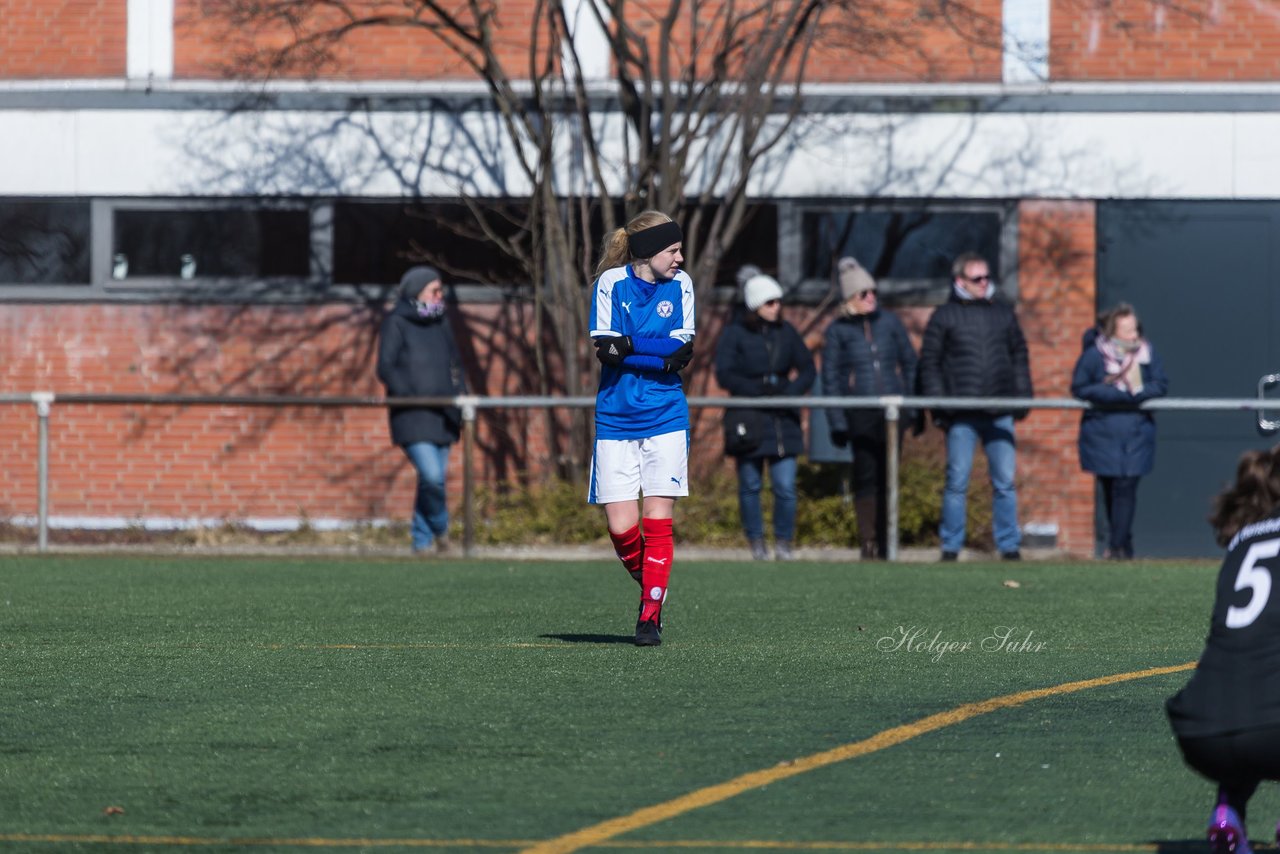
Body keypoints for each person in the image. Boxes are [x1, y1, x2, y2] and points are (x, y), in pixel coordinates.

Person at [588, 210, 695, 647]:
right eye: (672, 250)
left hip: (667, 414)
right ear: (649, 251)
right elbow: (606, 349)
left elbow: (681, 351)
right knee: (620, 528)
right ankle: (655, 585)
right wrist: (649, 348)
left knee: (658, 519)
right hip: (615, 416)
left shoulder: (681, 284)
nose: (680, 258)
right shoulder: (611, 284)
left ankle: (650, 613)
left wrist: (630, 343)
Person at [1166, 444, 1280, 854]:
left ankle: (1228, 811)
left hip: (1202, 730)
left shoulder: (1242, 541)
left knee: (1253, 687)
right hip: (1271, 732)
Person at [917, 251, 1033, 561]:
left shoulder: (1003, 314)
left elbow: (1019, 356)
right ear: (960, 281)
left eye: (986, 277)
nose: (984, 283)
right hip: (962, 416)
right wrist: (940, 407)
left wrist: (1022, 397)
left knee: (1005, 483)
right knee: (957, 482)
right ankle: (951, 547)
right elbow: (930, 363)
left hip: (999, 412)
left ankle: (1009, 546)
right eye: (977, 278)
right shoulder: (944, 316)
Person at [713, 270, 815, 561]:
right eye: (770, 302)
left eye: (778, 302)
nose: (776, 308)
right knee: (750, 485)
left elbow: (807, 367)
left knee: (784, 486)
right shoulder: (734, 333)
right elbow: (724, 373)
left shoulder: (787, 332)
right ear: (755, 304)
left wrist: (789, 392)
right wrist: (756, 390)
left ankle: (784, 542)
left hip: (783, 419)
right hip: (748, 417)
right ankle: (756, 542)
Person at [821, 257, 918, 560]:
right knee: (866, 477)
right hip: (860, 413)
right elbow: (832, 377)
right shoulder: (838, 331)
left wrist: (913, 408)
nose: (871, 297)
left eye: (873, 291)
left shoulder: (890, 323)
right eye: (864, 293)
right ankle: (868, 542)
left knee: (889, 476)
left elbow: (911, 364)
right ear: (850, 298)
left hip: (892, 413)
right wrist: (837, 421)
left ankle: (889, 541)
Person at [375, 266, 468, 555]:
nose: (440, 296)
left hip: (444, 415)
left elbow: (456, 365)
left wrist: (459, 395)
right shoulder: (396, 323)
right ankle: (441, 528)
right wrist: (413, 395)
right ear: (417, 291)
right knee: (432, 477)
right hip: (413, 415)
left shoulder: (441, 322)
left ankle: (421, 540)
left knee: (431, 482)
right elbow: (385, 368)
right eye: (434, 290)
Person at [1070, 303, 1169, 560]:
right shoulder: (1094, 356)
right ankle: (1121, 543)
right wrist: (1115, 394)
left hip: (1136, 433)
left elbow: (1160, 384)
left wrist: (1136, 395)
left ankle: (1117, 546)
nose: (1134, 335)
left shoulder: (1147, 354)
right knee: (1110, 489)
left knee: (1126, 488)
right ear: (1114, 331)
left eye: (1135, 328)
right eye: (1127, 330)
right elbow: (1080, 387)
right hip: (1103, 433)